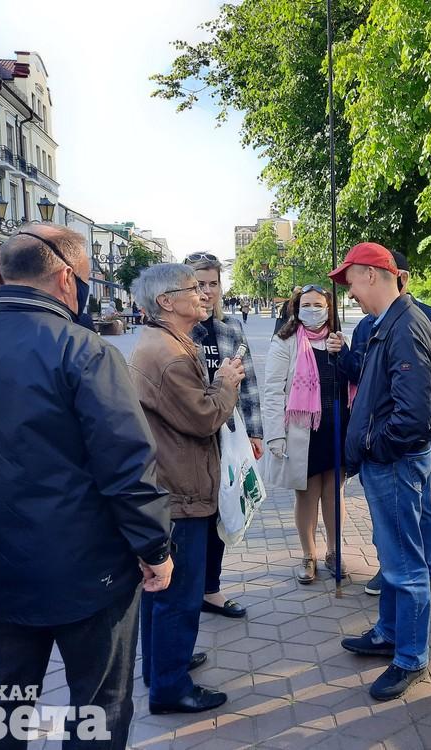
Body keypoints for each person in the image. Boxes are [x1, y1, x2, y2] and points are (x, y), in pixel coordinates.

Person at [0, 226, 173, 745]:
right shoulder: (86, 351)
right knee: (98, 706)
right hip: (91, 569)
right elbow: (127, 465)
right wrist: (154, 546)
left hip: (2, 562)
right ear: (66, 279)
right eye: (84, 281)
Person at [128, 263, 245, 715]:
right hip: (180, 489)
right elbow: (203, 417)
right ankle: (170, 687)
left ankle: (161, 667)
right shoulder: (171, 354)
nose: (202, 294)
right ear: (165, 302)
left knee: (162, 591)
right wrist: (226, 385)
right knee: (179, 593)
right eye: (191, 289)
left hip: (170, 482)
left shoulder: (168, 342)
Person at [332, 242, 431, 701]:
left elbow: (413, 416)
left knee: (405, 564)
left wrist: (374, 447)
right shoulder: (390, 324)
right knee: (397, 558)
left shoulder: (404, 327)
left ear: (374, 275)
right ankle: (389, 633)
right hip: (389, 462)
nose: (350, 291)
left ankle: (410, 656)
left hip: (394, 463)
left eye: (352, 280)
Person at [345, 250, 431, 607]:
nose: (349, 294)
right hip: (384, 444)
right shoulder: (370, 324)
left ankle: (423, 577)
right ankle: (392, 588)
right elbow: (364, 378)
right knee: (392, 529)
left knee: (415, 516)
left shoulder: (416, 322)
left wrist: (385, 443)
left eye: (352, 283)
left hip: (398, 447)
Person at [185, 252, 263, 619]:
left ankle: (210, 590)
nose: (207, 291)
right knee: (193, 517)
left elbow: (247, 382)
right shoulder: (179, 330)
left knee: (222, 510)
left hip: (227, 436)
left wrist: (256, 432)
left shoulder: (231, 327)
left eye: (213, 283)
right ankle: (189, 591)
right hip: (189, 438)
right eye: (199, 283)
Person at [262, 285, 349, 583]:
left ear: (329, 309)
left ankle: (334, 551)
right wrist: (274, 435)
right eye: (307, 304)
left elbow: (352, 379)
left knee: (335, 493)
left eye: (318, 304)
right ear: (297, 308)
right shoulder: (284, 342)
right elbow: (273, 391)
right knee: (307, 494)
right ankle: (308, 555)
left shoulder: (337, 340)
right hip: (304, 432)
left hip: (336, 428)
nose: (313, 310)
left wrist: (345, 354)